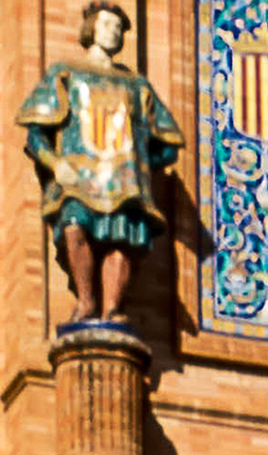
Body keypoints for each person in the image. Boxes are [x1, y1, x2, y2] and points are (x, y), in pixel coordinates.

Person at [21, 1, 177, 334]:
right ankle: (86, 301)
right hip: (78, 175)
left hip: (124, 180)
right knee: (75, 225)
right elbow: (35, 135)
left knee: (122, 237)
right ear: (91, 28)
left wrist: (142, 167)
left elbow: (167, 144)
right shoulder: (65, 73)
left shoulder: (137, 85)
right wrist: (56, 164)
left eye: (119, 27)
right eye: (107, 24)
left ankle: (112, 308)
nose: (113, 32)